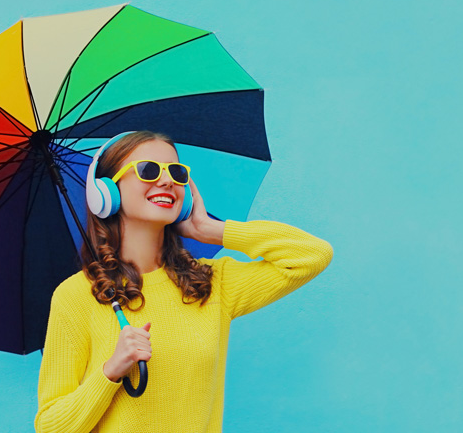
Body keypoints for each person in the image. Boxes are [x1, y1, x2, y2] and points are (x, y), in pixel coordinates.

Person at [34, 131, 333, 432]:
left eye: (176, 173)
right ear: (106, 192)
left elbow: (312, 255)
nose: (166, 181)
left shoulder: (213, 283)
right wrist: (110, 371)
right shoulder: (76, 296)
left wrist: (210, 230)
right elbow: (50, 426)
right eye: (148, 170)